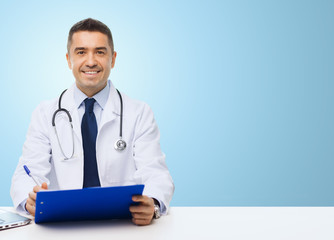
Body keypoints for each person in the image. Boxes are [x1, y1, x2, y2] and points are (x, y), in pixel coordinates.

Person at [10, 18, 174, 226]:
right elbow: (27, 171)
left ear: (113, 59)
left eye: (100, 52)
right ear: (68, 59)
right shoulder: (45, 113)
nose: (90, 61)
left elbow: (156, 172)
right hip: (63, 225)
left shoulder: (139, 112)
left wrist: (153, 204)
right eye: (81, 52)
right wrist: (29, 201)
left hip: (123, 225)